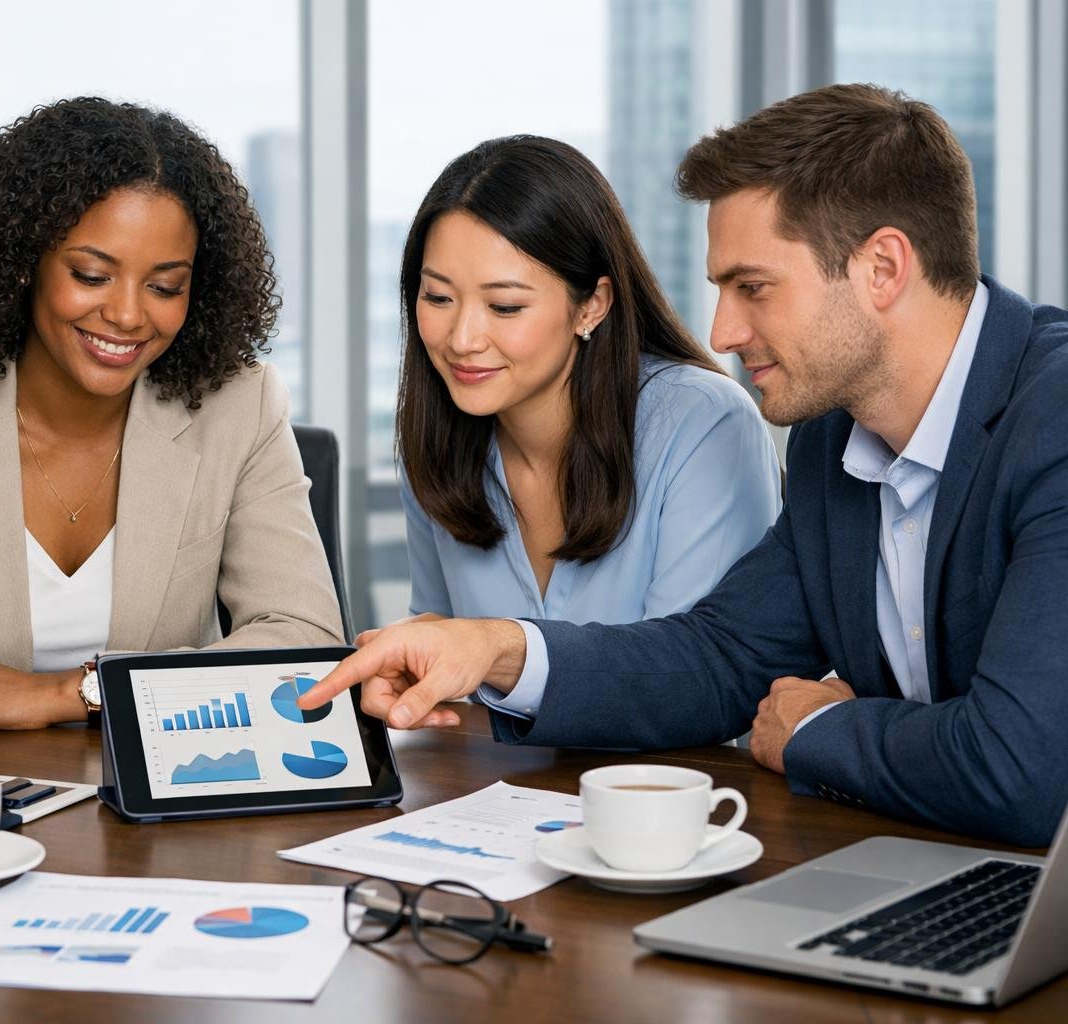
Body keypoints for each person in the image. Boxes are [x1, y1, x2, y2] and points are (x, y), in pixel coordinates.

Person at [301, 84, 1068, 847]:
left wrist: (818, 727)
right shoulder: (833, 440)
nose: (723, 331)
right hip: (933, 870)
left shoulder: (1054, 419)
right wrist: (493, 648)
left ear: (882, 267)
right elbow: (719, 658)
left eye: (753, 288)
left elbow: (1017, 771)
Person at [0, 97, 344, 730]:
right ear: (22, 261)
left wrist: (73, 694)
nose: (127, 314)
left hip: (164, 788)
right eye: (92, 275)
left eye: (165, 286)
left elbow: (303, 639)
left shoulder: (239, 406)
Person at [395, 136, 779, 646]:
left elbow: (693, 677)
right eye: (438, 297)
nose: (462, 340)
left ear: (591, 306)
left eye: (505, 307)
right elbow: (441, 653)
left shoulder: (703, 424)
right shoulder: (432, 440)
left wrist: (501, 659)